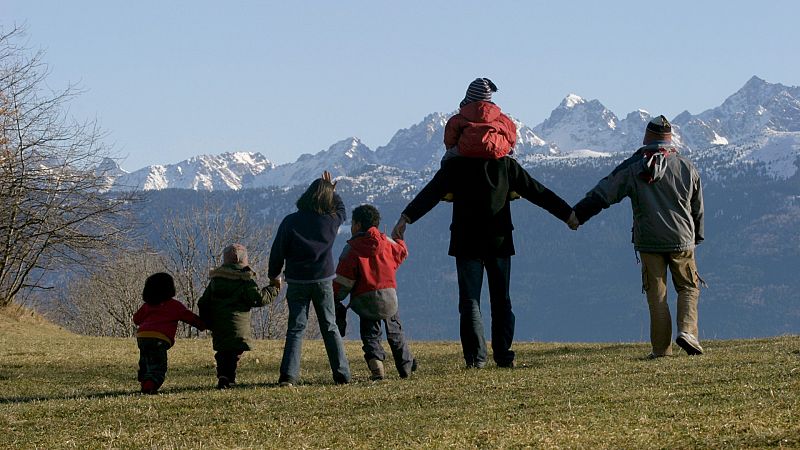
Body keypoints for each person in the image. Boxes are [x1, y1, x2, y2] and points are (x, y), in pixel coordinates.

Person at [392, 157, 578, 369]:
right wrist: (567, 214)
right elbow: (536, 191)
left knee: (470, 301)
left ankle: (475, 359)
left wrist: (406, 217)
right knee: (501, 300)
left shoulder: (456, 164)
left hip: (465, 240)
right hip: (499, 240)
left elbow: (430, 193)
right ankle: (503, 355)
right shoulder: (505, 164)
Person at [572, 115, 705, 358]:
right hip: (682, 238)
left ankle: (661, 350)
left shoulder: (633, 167)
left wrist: (577, 215)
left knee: (657, 296)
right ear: (669, 138)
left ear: (647, 138)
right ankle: (688, 332)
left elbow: (605, 191)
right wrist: (698, 235)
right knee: (687, 287)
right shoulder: (686, 166)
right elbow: (697, 206)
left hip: (648, 240)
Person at [268, 171, 351, 386]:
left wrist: (274, 274)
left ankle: (288, 376)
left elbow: (278, 250)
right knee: (330, 326)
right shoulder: (330, 221)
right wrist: (333, 191)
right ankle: (342, 374)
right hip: (323, 280)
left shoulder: (290, 221)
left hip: (296, 281)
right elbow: (342, 210)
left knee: (296, 328)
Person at [333, 204, 416, 380]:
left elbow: (344, 281)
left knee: (370, 335)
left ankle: (377, 366)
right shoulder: (387, 242)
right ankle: (406, 366)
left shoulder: (352, 249)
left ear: (356, 225)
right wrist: (399, 239)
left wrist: (336, 297)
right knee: (395, 331)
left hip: (365, 299)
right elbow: (401, 253)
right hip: (389, 296)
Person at [198, 244, 280, 389]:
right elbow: (258, 299)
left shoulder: (216, 280)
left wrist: (206, 320)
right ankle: (228, 378)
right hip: (238, 326)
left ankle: (224, 376)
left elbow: (203, 302)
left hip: (219, 325)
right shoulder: (245, 280)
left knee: (223, 351)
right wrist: (274, 288)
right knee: (234, 352)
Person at [133, 272, 206, 394]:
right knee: (158, 365)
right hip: (159, 338)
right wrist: (203, 325)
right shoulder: (174, 306)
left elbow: (136, 319)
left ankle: (144, 381)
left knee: (145, 361)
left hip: (142, 336)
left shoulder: (147, 306)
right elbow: (190, 318)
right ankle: (149, 385)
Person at [442, 77, 517, 162]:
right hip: (497, 149)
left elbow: (450, 140)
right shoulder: (503, 119)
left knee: (446, 159)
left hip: (465, 150)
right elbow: (512, 137)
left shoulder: (457, 119)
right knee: (511, 158)